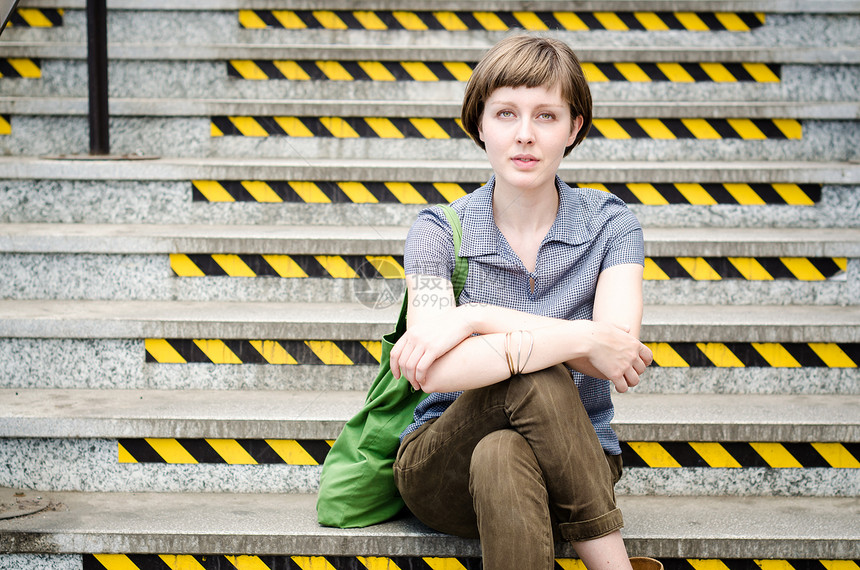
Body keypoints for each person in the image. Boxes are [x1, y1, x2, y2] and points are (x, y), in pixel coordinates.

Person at [388, 34, 655, 570]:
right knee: (538, 373)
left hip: (575, 465)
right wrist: (579, 337)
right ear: (480, 124)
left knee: (503, 451)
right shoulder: (439, 231)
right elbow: (433, 372)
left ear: (574, 127)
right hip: (443, 465)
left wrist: (476, 318)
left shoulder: (611, 225)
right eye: (506, 113)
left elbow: (618, 356)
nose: (525, 135)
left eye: (547, 116)